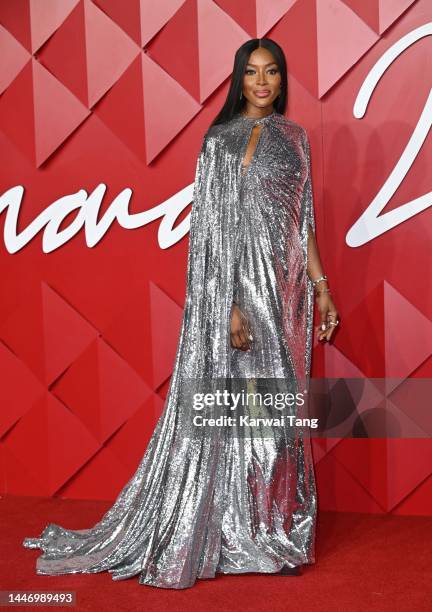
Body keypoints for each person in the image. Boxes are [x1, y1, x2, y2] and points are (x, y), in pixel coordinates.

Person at [22, 38, 339, 589]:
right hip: (242, 297)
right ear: (238, 80)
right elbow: (214, 237)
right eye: (251, 73)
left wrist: (322, 287)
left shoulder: (296, 139)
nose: (262, 83)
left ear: (282, 81)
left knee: (279, 418)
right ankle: (232, 532)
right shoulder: (219, 142)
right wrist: (231, 306)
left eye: (272, 73)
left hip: (289, 297)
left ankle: (268, 531)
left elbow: (303, 220)